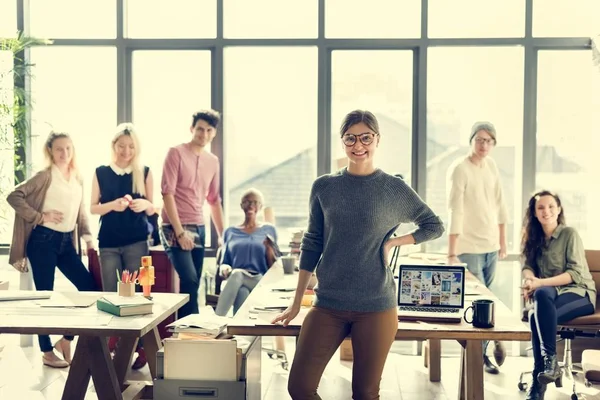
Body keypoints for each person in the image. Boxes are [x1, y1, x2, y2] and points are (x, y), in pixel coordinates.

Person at [272, 110, 445, 399]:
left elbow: (434, 225)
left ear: (377, 140)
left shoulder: (393, 188)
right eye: (350, 138)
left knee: (365, 393)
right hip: (328, 303)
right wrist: (295, 304)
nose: (358, 145)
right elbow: (312, 242)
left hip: (376, 305)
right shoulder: (325, 187)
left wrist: (394, 242)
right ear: (342, 142)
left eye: (366, 137)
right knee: (300, 387)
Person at [7, 131, 97, 368]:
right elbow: (14, 196)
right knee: (44, 297)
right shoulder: (45, 176)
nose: (64, 153)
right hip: (43, 241)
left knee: (90, 289)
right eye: (59, 149)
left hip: (67, 243)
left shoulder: (77, 178)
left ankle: (66, 339)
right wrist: (38, 216)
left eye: (68, 148)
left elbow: (81, 212)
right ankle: (46, 351)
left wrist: (88, 239)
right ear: (50, 151)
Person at [90, 123, 155, 369]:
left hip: (136, 242)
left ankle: (137, 348)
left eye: (131, 146)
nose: (126, 151)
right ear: (114, 146)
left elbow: (153, 206)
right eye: (121, 146)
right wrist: (112, 205)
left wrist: (144, 205)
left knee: (135, 296)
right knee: (111, 295)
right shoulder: (100, 172)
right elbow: (93, 207)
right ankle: (112, 347)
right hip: (108, 242)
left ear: (136, 148)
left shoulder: (145, 171)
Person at [446, 121, 508, 374]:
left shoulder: (491, 165)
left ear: (494, 144)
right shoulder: (460, 169)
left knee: (490, 301)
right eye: (480, 139)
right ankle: (482, 355)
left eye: (489, 141)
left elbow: (500, 202)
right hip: (468, 246)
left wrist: (503, 240)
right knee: (481, 302)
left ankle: (493, 339)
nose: (484, 145)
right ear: (471, 140)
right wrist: (452, 251)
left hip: (491, 245)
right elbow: (455, 210)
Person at [521, 190, 596, 400]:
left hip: (579, 294)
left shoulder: (569, 234)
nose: (547, 211)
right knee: (539, 304)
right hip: (548, 297)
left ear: (559, 209)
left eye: (551, 206)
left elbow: (574, 274)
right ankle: (550, 365)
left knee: (538, 309)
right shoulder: (534, 239)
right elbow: (527, 266)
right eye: (541, 208)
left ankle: (539, 381)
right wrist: (529, 281)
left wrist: (539, 283)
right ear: (535, 213)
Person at [160, 110, 225, 318]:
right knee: (189, 279)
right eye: (200, 129)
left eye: (208, 130)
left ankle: (187, 332)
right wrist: (179, 233)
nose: (203, 134)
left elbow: (214, 200)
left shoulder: (213, 161)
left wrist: (224, 236)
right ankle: (190, 332)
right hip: (174, 227)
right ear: (192, 129)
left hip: (199, 226)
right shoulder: (176, 153)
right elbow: (167, 193)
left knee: (194, 283)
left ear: (214, 133)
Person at [215, 188, 278, 316]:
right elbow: (225, 262)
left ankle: (217, 320)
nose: (250, 205)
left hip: (259, 281)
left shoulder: (269, 229)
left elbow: (275, 266)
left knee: (238, 274)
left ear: (260, 206)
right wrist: (224, 268)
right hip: (236, 281)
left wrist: (269, 250)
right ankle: (240, 333)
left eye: (255, 202)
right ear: (241, 205)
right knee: (242, 291)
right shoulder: (230, 231)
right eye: (247, 202)